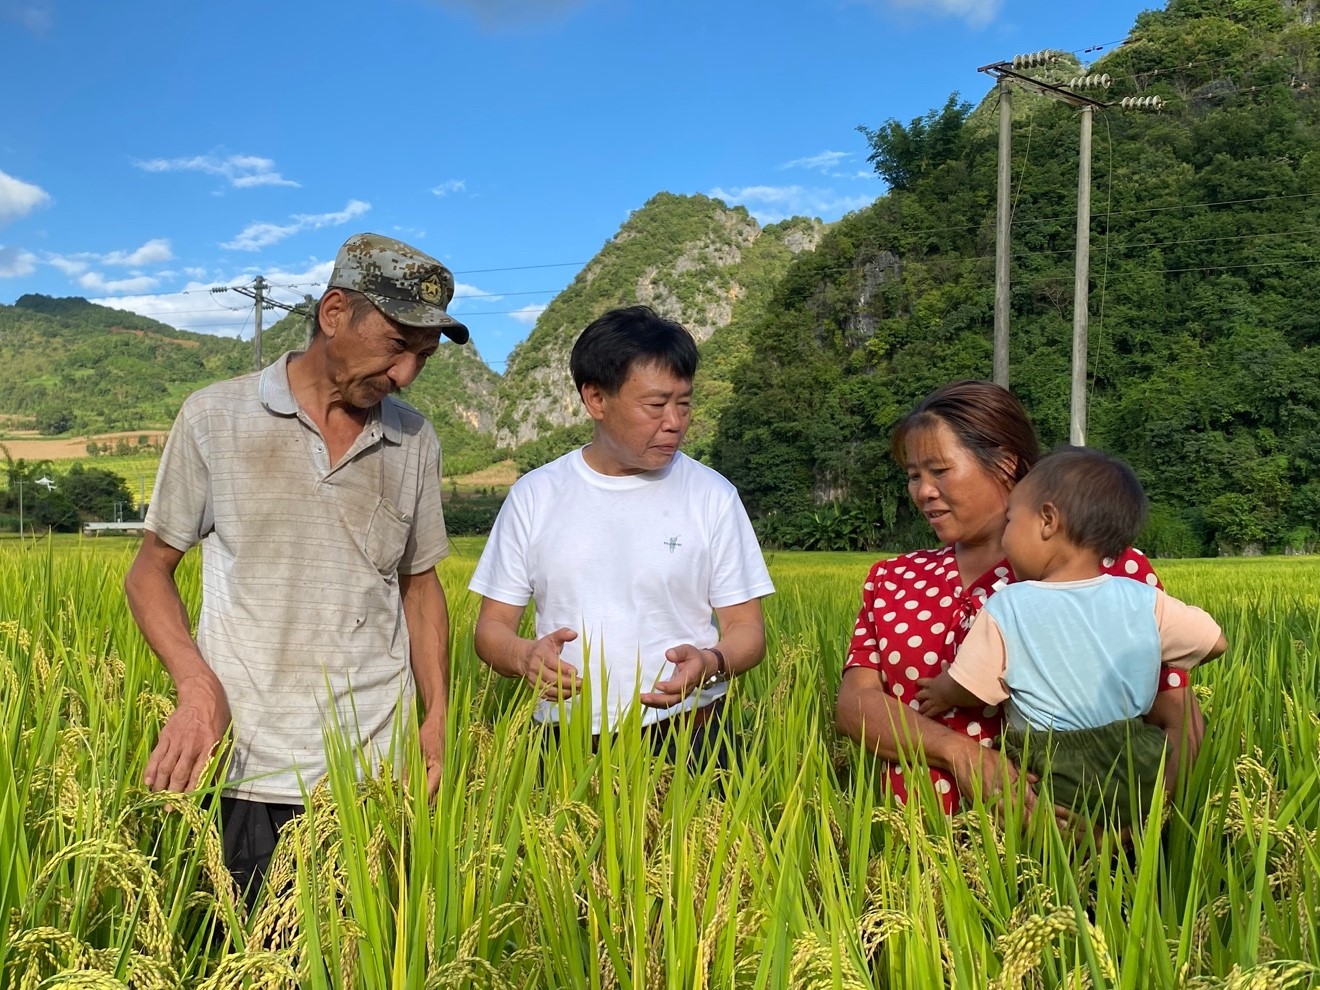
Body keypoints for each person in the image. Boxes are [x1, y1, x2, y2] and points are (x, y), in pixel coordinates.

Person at [125, 232, 464, 902]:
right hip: (252, 768)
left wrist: (438, 716)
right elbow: (149, 571)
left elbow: (420, 588)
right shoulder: (215, 418)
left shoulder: (415, 438)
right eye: (398, 347)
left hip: (374, 776)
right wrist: (195, 689)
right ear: (334, 314)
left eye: (422, 357)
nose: (405, 375)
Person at [834, 380, 1205, 813]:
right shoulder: (893, 579)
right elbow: (855, 703)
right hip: (909, 855)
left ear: (1006, 464)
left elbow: (1177, 719)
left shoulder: (1107, 572)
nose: (923, 491)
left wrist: (1128, 831)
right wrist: (961, 754)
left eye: (939, 470)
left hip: (1071, 851)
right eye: (914, 475)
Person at [469, 305, 774, 759]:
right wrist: (523, 657)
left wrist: (712, 663)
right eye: (655, 405)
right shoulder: (536, 495)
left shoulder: (712, 495)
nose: (674, 421)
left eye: (684, 403)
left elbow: (746, 629)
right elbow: (491, 628)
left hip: (691, 736)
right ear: (596, 399)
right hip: (566, 741)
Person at [914, 447, 1226, 826]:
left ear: (1047, 521)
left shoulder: (1009, 604)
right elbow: (1215, 642)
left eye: (1011, 522)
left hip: (1053, 762)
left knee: (1039, 835)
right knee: (1125, 853)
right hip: (1135, 757)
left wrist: (942, 692)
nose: (1006, 538)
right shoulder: (1141, 598)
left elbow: (972, 685)